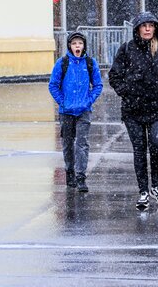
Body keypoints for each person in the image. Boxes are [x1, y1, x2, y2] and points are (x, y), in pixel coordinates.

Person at [108, 12, 158, 209]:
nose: (147, 29)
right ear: (137, 28)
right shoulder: (127, 49)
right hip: (134, 109)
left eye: (151, 25)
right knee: (139, 150)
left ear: (155, 28)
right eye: (144, 25)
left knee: (156, 145)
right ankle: (143, 191)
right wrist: (126, 92)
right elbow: (115, 75)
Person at [48, 31, 103, 193]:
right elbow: (53, 85)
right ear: (70, 46)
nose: (77, 46)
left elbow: (98, 85)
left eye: (80, 43)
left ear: (84, 45)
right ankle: (70, 172)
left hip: (84, 111)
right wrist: (62, 101)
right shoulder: (62, 63)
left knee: (82, 143)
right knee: (67, 144)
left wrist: (89, 100)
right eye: (74, 43)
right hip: (66, 111)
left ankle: (81, 176)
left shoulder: (90, 63)